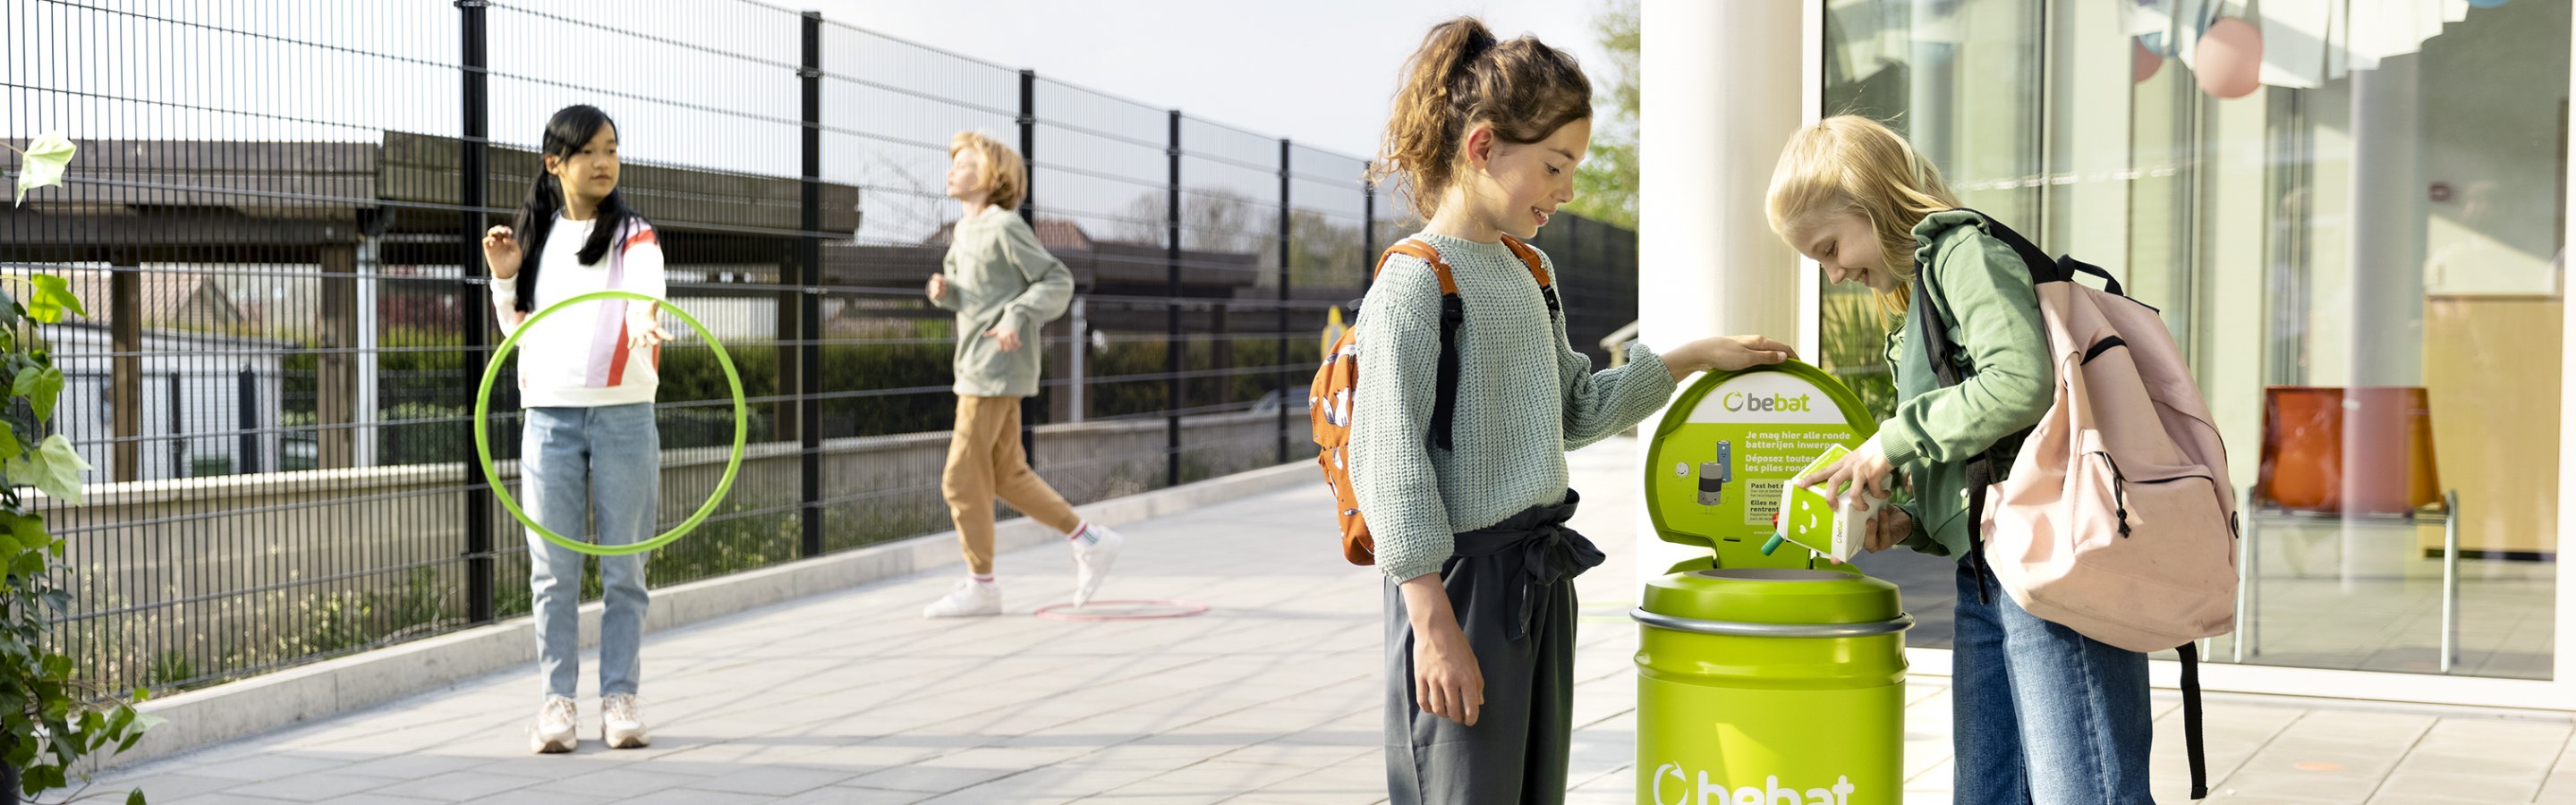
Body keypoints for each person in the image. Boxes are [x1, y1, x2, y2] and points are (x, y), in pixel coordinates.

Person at [1353, 18, 1795, 804]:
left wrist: (1692, 356)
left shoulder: (1531, 268)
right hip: (1456, 587)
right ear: (1482, 147)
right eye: (1555, 166)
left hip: (1536, 580)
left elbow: (1577, 410)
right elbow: (1389, 464)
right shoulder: (1414, 284)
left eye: (1573, 168)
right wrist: (1433, 628)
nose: (1566, 191)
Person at [1775, 115, 2153, 802]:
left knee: (2083, 788)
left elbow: (2018, 382)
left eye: (1830, 246)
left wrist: (1888, 441)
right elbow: (1983, 444)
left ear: (1870, 200)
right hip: (1987, 569)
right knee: (1986, 789)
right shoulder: (1919, 295)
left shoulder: (1961, 254)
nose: (1833, 274)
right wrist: (1908, 521)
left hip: (2048, 560)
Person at [480, 104, 669, 754]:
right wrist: (505, 278)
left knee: (625, 569)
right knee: (553, 570)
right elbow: (517, 334)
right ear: (554, 162)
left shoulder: (635, 234)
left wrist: (646, 319)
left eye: (612, 149)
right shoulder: (535, 237)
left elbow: (646, 287)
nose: (604, 162)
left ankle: (620, 699)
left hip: (624, 411)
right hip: (550, 416)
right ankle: (556, 703)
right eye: (589, 151)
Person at [921, 131, 1125, 618]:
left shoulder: (1004, 226)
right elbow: (973, 294)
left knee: (959, 478)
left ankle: (982, 585)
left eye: (964, 164)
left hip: (995, 367)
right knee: (1007, 474)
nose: (952, 171)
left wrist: (1016, 315)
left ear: (993, 177)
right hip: (974, 363)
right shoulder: (962, 231)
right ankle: (1090, 539)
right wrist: (945, 292)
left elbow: (1057, 279)